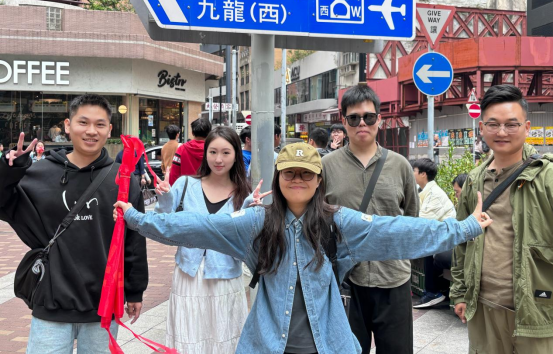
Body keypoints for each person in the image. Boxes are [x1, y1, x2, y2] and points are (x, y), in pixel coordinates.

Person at [114, 142, 492, 354]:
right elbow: (197, 226)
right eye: (289, 173)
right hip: (266, 344)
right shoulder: (256, 222)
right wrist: (137, 218)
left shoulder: (338, 222)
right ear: (278, 178)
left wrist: (463, 228)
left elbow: (395, 231)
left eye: (306, 174)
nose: (298, 179)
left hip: (328, 344)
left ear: (319, 180)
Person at [0, 94, 148, 353]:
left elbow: (134, 240)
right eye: (83, 122)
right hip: (51, 302)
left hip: (103, 305)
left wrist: (135, 291)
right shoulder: (39, 173)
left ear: (109, 129)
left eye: (100, 124)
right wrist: (9, 171)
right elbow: (5, 204)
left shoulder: (122, 180)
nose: (91, 131)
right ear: (68, 126)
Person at [451, 84, 553, 354]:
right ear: (482, 128)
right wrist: (459, 292)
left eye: (511, 124)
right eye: (493, 124)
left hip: (538, 311)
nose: (502, 132)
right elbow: (461, 241)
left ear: (527, 127)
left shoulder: (547, 177)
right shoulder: (474, 180)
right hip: (483, 307)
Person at [322, 85, 420, 354]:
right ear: (344, 122)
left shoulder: (400, 165)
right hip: (347, 282)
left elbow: (412, 219)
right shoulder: (327, 166)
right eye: (354, 118)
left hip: (394, 279)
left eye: (369, 117)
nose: (362, 123)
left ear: (380, 119)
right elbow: (317, 219)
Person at [153, 126, 261, 353]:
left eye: (226, 152)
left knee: (224, 340)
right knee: (188, 338)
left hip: (225, 278)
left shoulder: (244, 193)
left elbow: (247, 241)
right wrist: (164, 198)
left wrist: (251, 212)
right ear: (205, 154)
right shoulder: (185, 184)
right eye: (213, 152)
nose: (218, 159)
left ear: (236, 155)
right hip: (188, 275)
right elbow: (164, 223)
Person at [411, 158, 456, 308]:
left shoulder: (435, 194)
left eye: (414, 171)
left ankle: (432, 292)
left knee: (426, 247)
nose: (412, 173)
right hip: (441, 236)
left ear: (423, 174)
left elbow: (422, 221)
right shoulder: (424, 191)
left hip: (448, 239)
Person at [169, 118, 211, 185]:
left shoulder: (182, 149)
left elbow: (173, 174)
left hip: (186, 188)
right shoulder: (213, 150)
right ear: (209, 133)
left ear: (192, 133)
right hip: (208, 188)